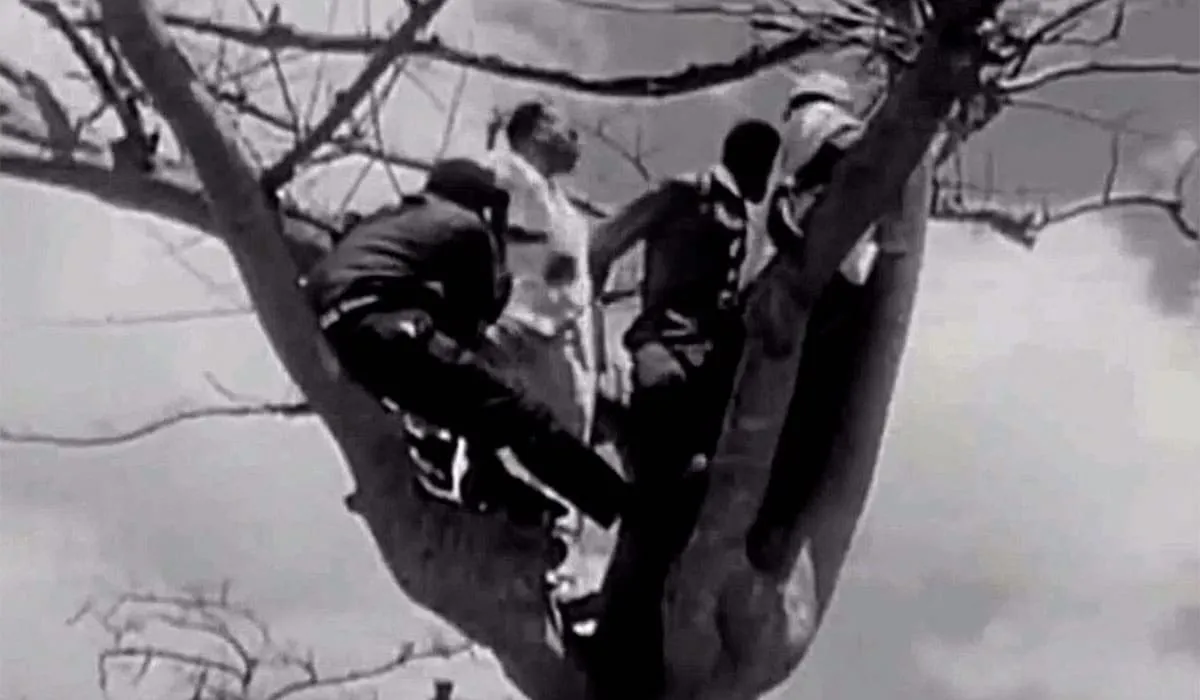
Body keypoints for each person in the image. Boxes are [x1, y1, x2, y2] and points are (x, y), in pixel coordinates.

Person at [557, 120, 783, 695]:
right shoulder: (686, 191)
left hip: (709, 373)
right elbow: (601, 248)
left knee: (685, 502)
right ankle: (612, 634)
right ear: (754, 159)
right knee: (657, 494)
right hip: (665, 353)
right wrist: (591, 346)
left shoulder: (747, 220)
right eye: (768, 163)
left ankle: (627, 621)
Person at [301, 157, 629, 531]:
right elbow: (470, 322)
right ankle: (624, 509)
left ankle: (493, 488)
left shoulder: (383, 224)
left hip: (337, 340)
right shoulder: (464, 227)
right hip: (389, 331)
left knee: (467, 397)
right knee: (518, 413)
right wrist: (498, 264)